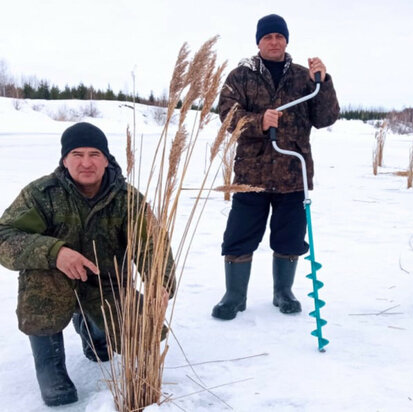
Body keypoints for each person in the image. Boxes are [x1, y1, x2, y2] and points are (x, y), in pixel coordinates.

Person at [0, 122, 175, 406]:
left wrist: (160, 282)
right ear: (64, 159)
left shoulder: (127, 199)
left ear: (106, 159)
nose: (86, 162)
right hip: (53, 282)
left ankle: (92, 330)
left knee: (145, 332)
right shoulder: (41, 194)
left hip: (106, 283)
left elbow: (154, 245)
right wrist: (55, 252)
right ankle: (52, 370)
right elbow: (4, 235)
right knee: (41, 285)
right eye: (77, 154)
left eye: (94, 154)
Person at [212, 14, 339, 320]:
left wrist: (323, 81)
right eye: (267, 37)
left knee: (289, 238)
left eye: (279, 37)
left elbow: (326, 118)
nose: (273, 42)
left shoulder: (302, 76)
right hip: (250, 176)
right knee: (239, 236)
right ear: (258, 41)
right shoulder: (241, 75)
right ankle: (234, 296)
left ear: (286, 41)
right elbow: (226, 113)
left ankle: (283, 292)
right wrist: (258, 121)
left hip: (293, 175)